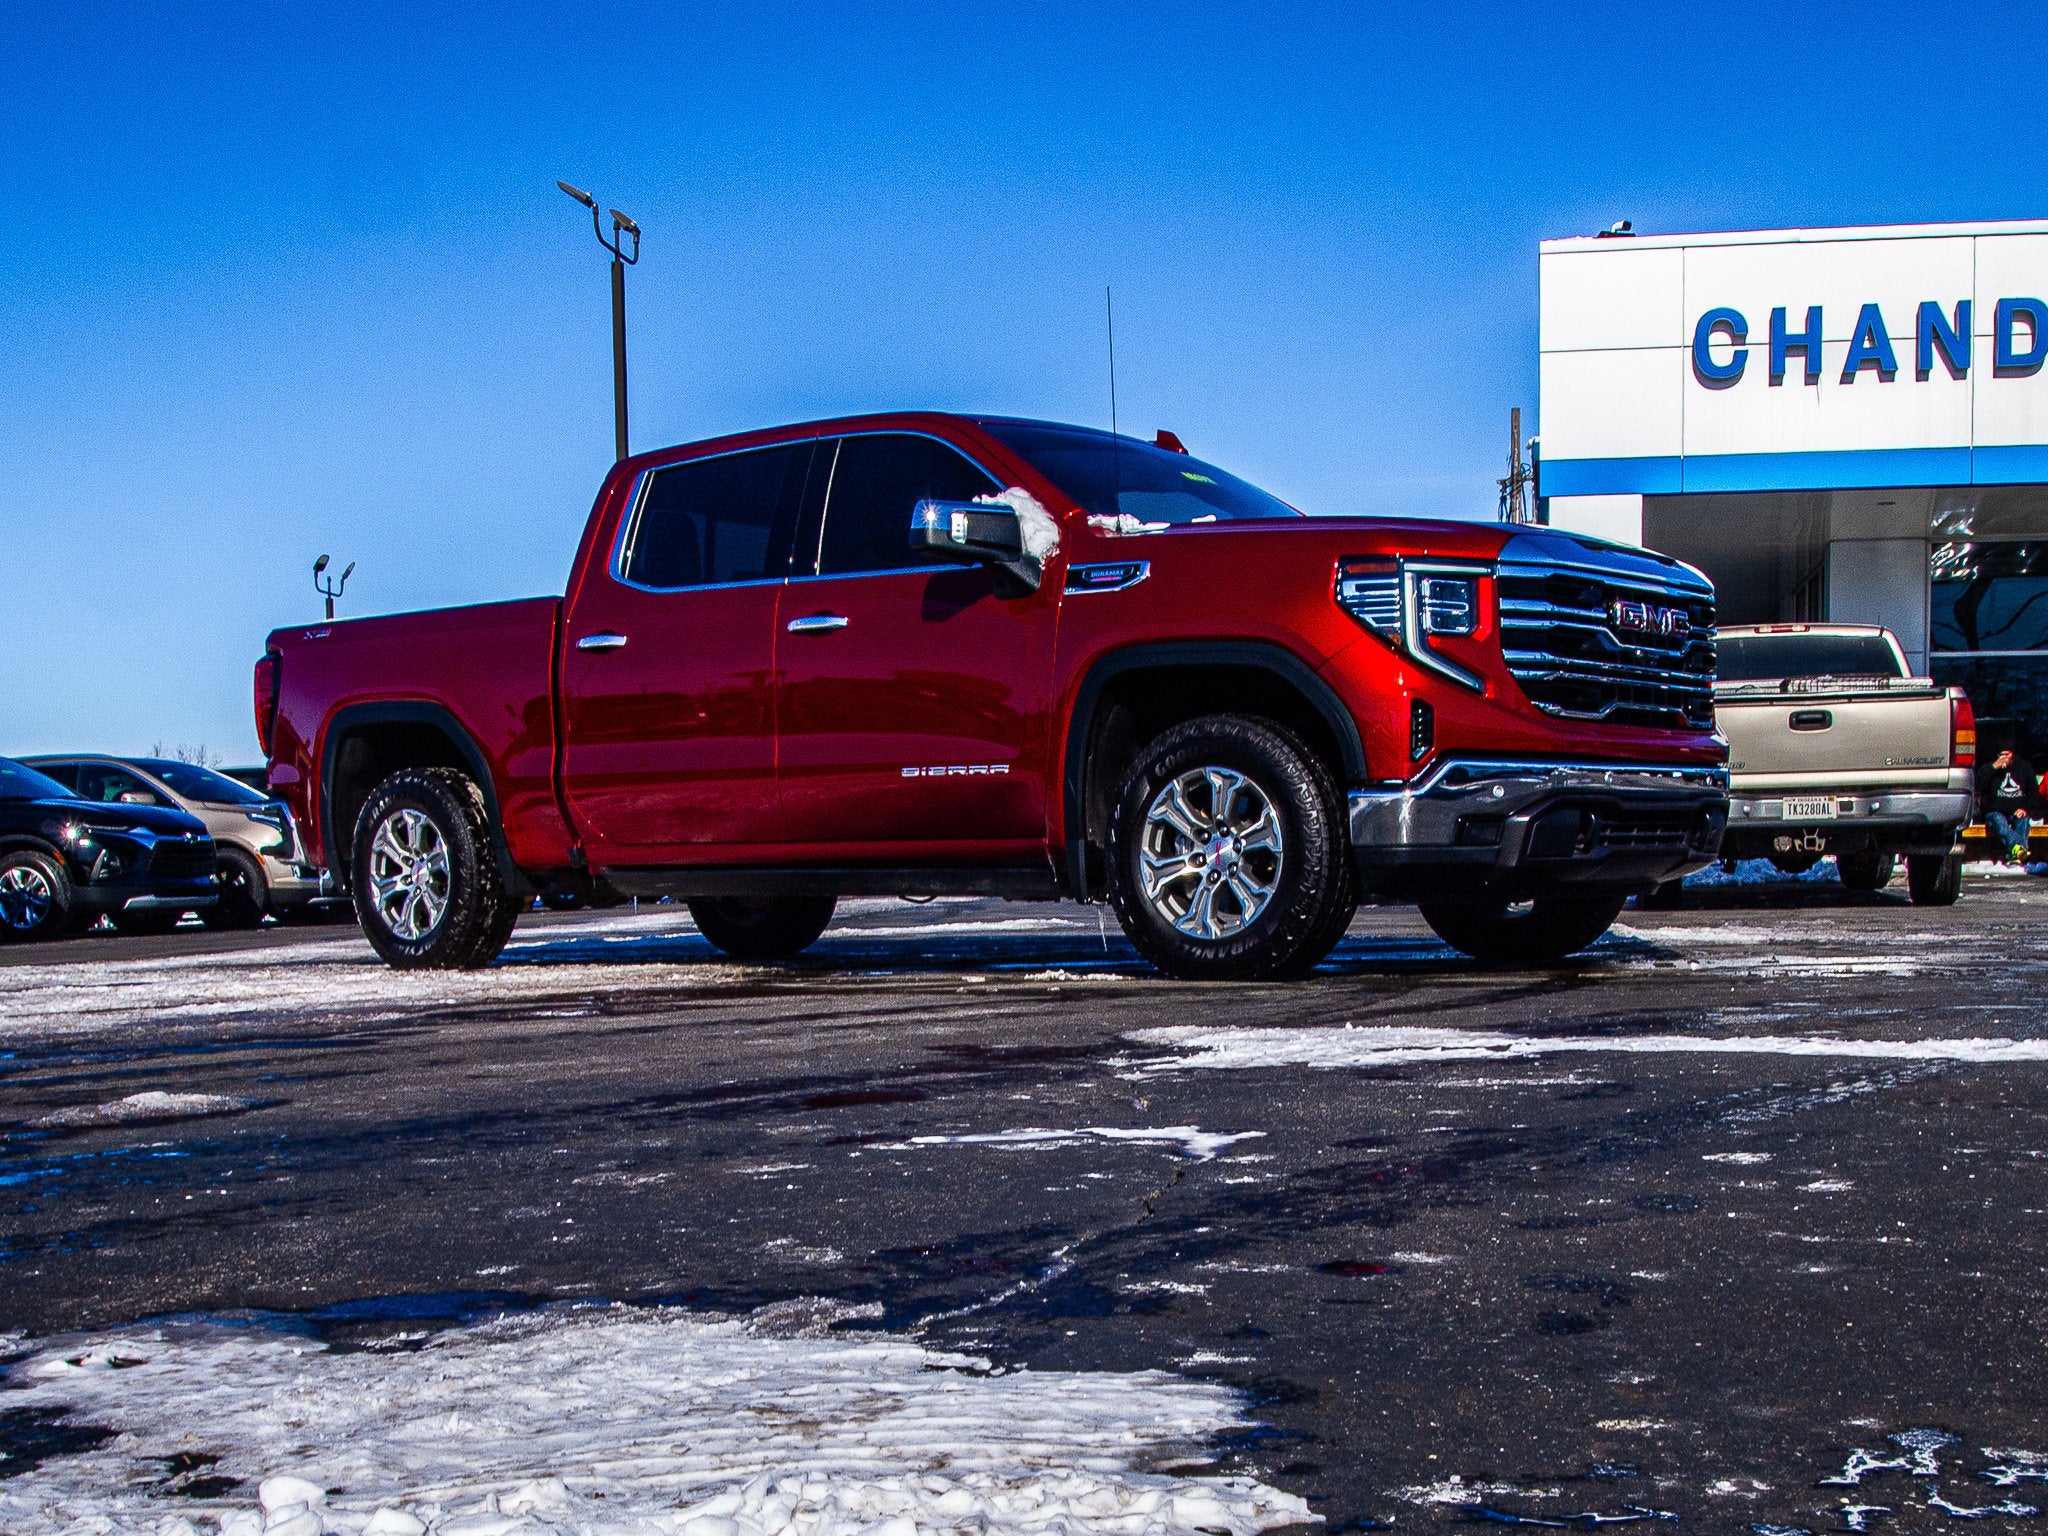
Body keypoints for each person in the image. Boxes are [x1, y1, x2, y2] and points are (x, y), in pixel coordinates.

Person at [1979, 746, 2042, 864]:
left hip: (2017, 809)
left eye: (2006, 755)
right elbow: (1978, 784)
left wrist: (2025, 808)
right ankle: (2020, 850)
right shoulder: (1988, 767)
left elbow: (2033, 792)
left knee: (2023, 820)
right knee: (1999, 822)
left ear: (2012, 754)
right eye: (2001, 755)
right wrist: (1993, 767)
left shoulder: (2024, 767)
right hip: (1995, 811)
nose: (2004, 758)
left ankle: (2016, 853)